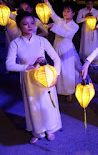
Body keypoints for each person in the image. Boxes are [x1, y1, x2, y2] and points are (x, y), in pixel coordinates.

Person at [6, 11, 61, 144]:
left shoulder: (42, 41)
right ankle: (37, 131)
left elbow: (56, 58)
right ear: (19, 26)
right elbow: (9, 65)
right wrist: (28, 67)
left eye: (32, 23)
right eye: (25, 24)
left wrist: (56, 76)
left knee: (48, 104)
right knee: (33, 106)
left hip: (46, 78)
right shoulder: (16, 44)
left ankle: (50, 129)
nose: (30, 26)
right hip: (29, 80)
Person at [40, 0, 82, 102]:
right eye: (64, 11)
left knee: (67, 70)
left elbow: (65, 34)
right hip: (56, 46)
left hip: (67, 49)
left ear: (73, 13)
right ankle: (59, 89)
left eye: (68, 11)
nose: (65, 13)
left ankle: (69, 92)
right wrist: (46, 1)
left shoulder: (75, 26)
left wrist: (54, 27)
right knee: (58, 69)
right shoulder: (60, 21)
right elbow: (52, 13)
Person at [76, 0, 98, 69]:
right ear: (85, 4)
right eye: (88, 4)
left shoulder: (96, 11)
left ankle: (94, 62)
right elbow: (78, 20)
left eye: (91, 4)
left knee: (93, 45)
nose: (89, 5)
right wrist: (85, 17)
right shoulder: (82, 11)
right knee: (86, 45)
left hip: (93, 31)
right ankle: (86, 61)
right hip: (85, 30)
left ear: (93, 4)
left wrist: (96, 27)